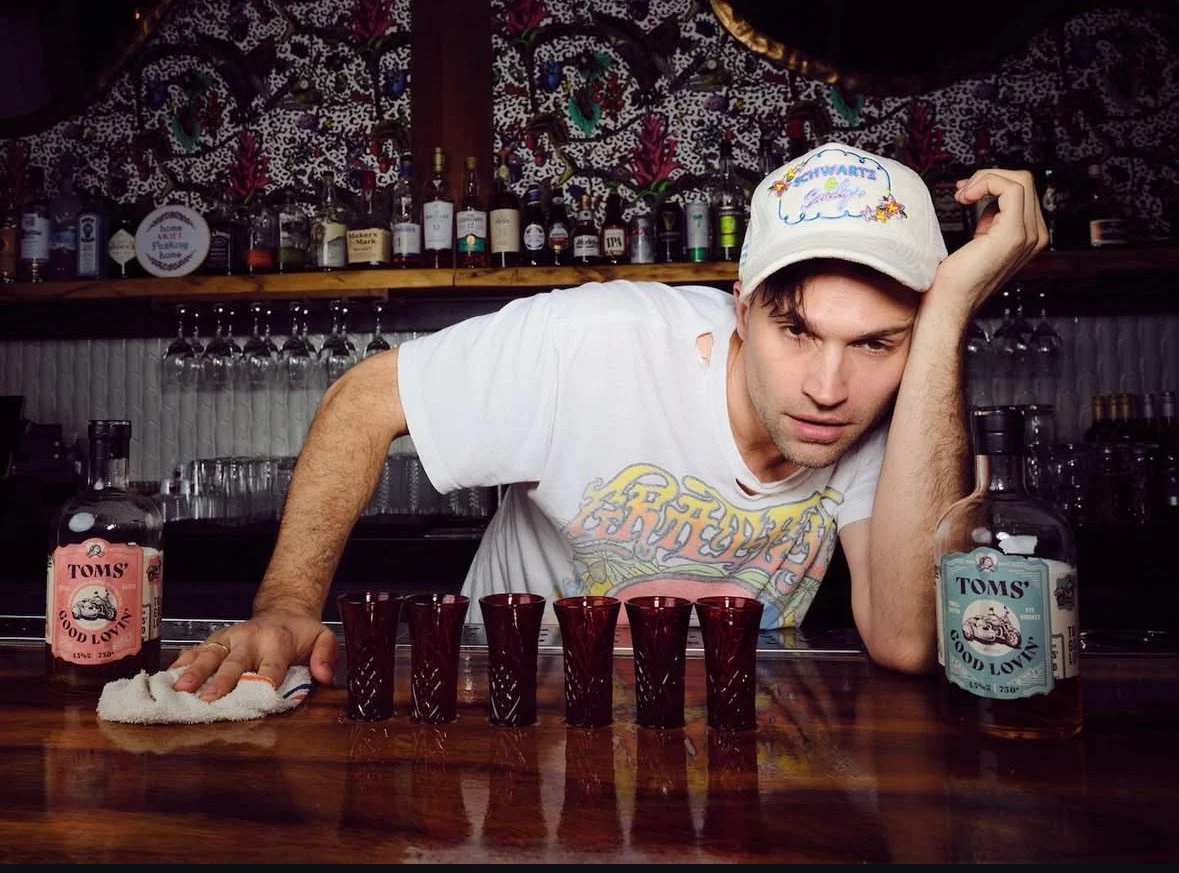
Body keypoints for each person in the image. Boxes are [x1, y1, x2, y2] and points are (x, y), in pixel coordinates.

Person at [172, 140, 1047, 700]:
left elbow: (906, 639)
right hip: (506, 708)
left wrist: (946, 319)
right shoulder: (597, 339)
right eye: (795, 328)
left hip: (723, 733)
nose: (827, 386)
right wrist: (286, 605)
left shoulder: (890, 416)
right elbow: (363, 398)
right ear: (740, 308)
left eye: (876, 342)